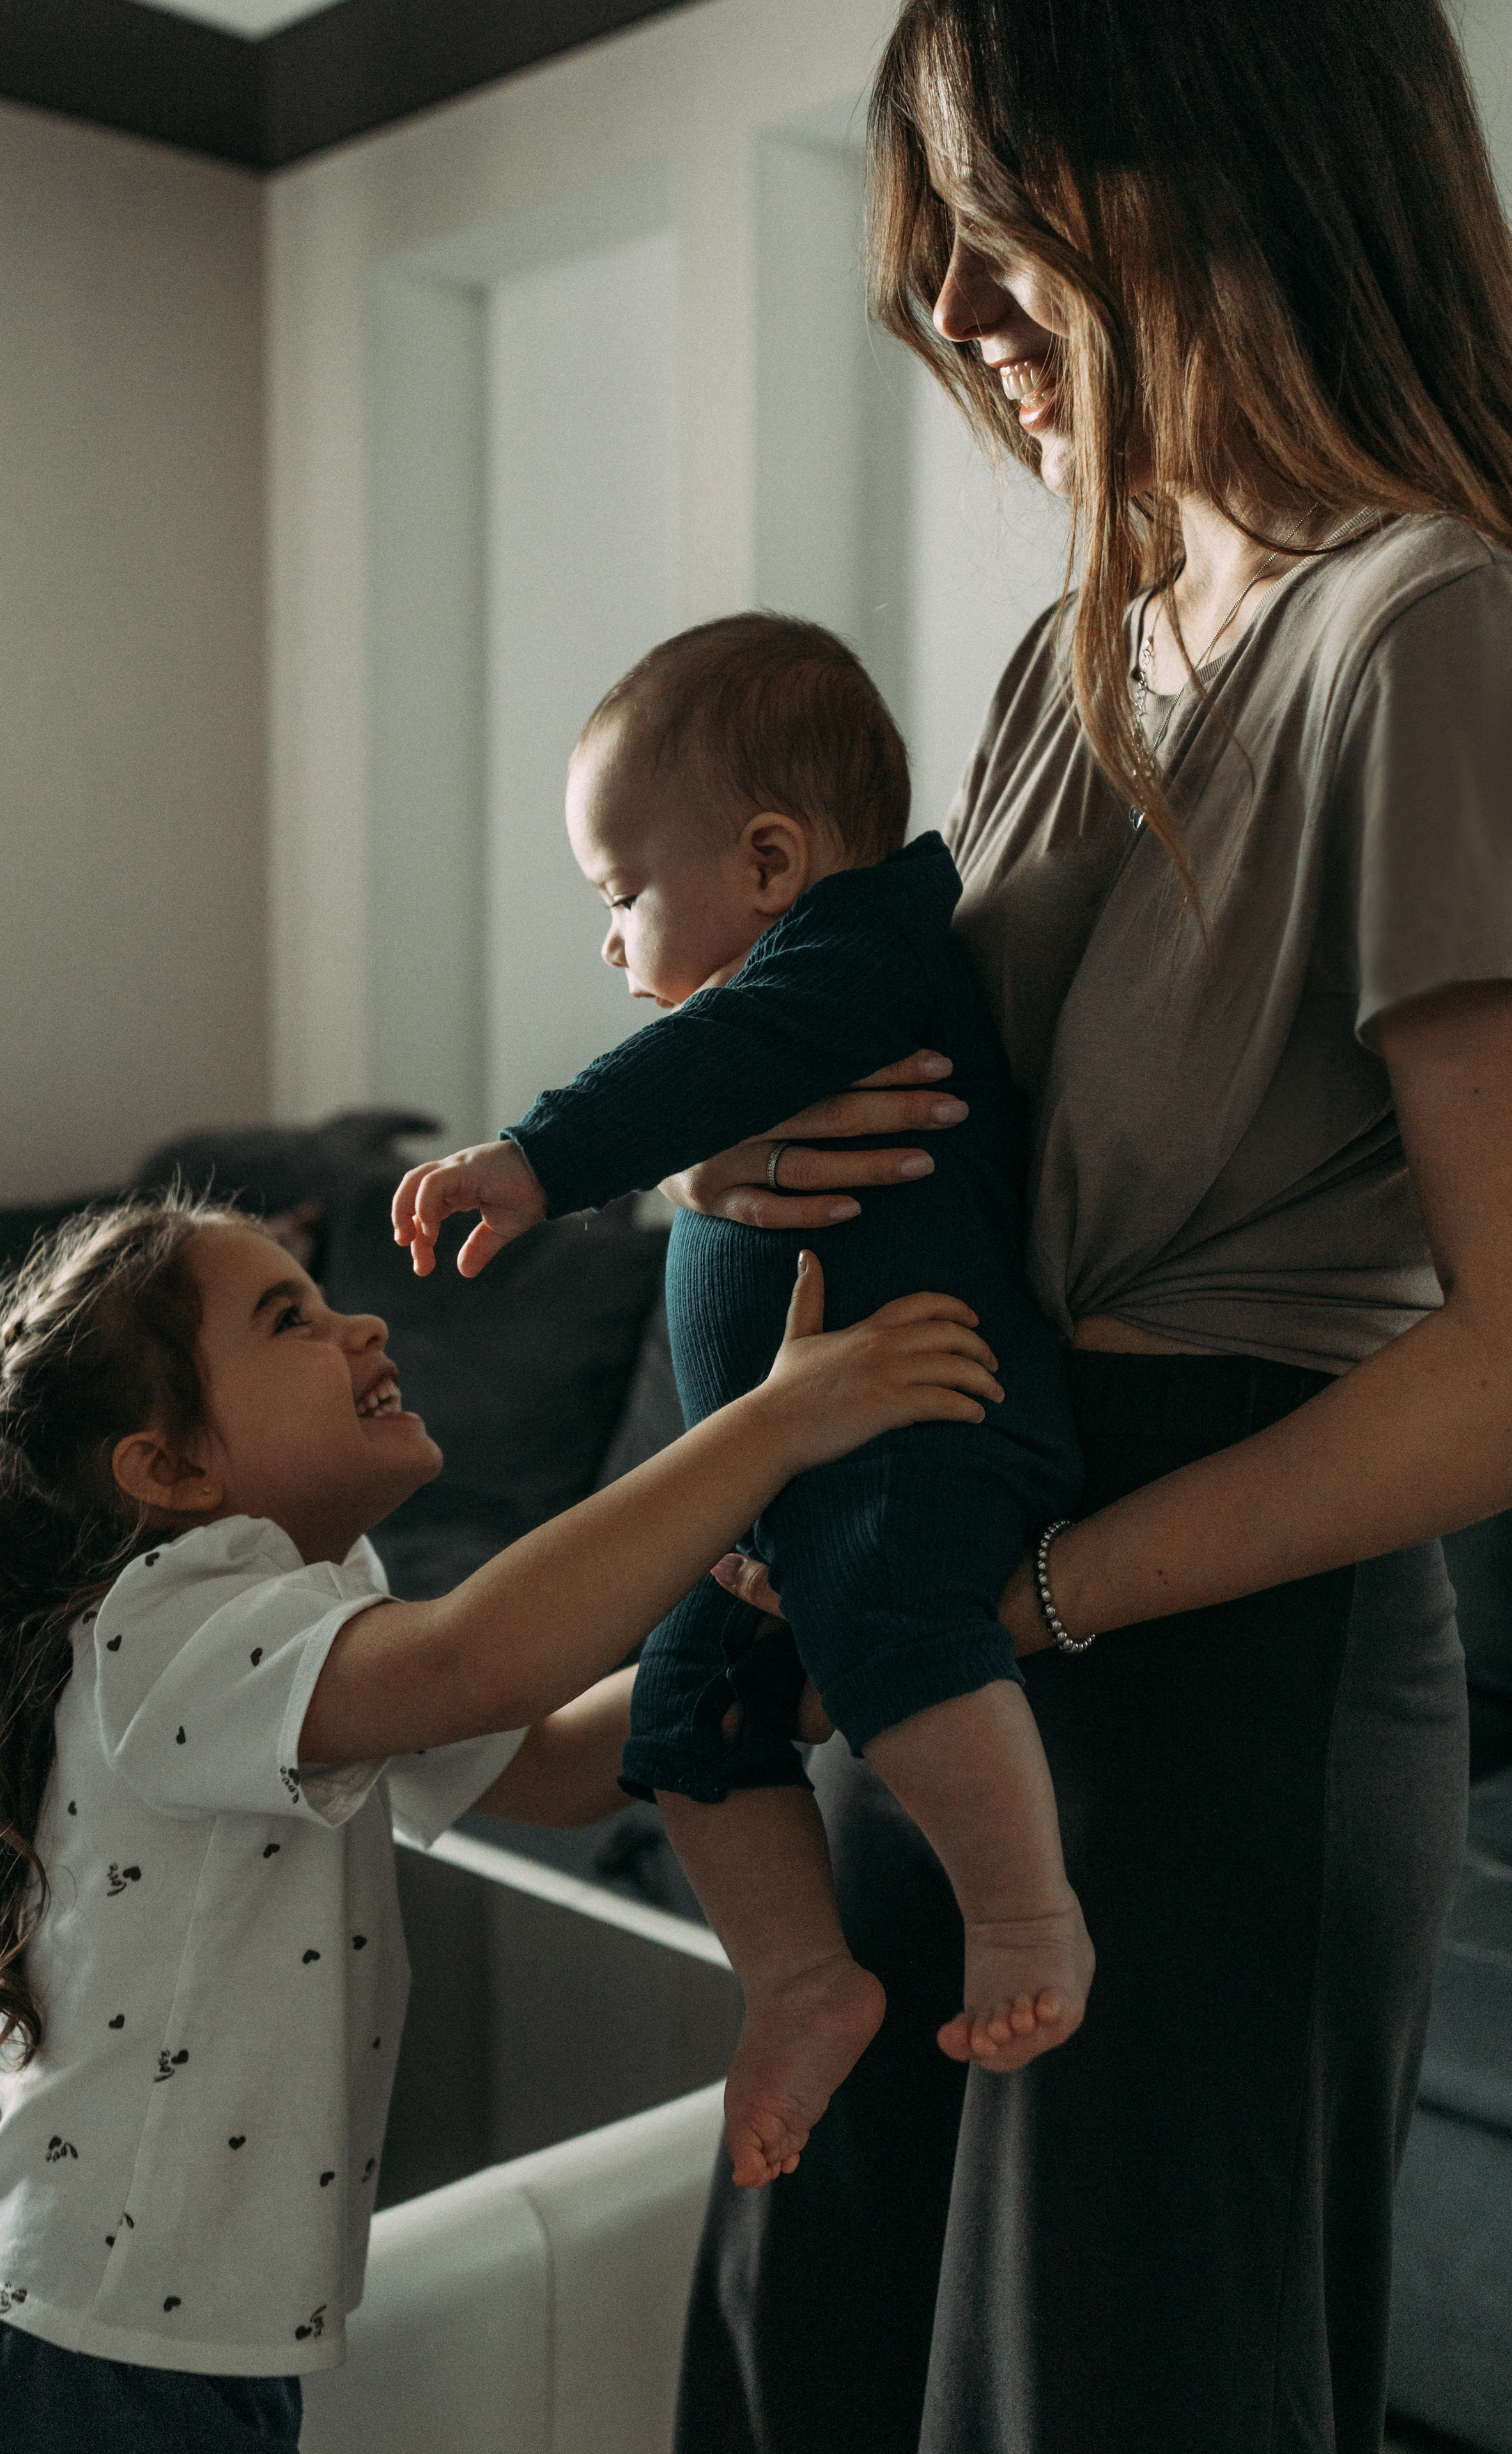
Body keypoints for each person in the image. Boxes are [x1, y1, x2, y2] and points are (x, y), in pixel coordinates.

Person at [661, 2, 1512, 2450]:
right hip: (964, 1584)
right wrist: (747, 1174)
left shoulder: (1424, 631)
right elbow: (957, 1126)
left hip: (1219, 1667)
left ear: (1233, 169)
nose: (956, 313)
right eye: (933, 256)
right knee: (811, 2310)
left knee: (1105, 2390)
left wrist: (1033, 1605)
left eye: (1001, 231)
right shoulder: (1076, 651)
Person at [0, 1192, 991, 2454]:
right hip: (87, 2340)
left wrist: (762, 1632)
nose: (361, 1322)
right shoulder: (165, 1631)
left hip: (187, 2336)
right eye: (287, 1319)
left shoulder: (306, 1609)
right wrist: (769, 1429)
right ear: (171, 1470)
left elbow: (559, 1763)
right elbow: (484, 1661)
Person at [392, 613, 1091, 2193]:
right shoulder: (807, 985)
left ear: (770, 863)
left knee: (880, 1611)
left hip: (925, 1428)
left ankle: (1022, 1909)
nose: (608, 940)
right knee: (686, 1698)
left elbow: (707, 1060)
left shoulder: (857, 953)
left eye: (621, 894)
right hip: (799, 1479)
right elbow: (713, 1080)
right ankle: (797, 1978)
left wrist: (537, 1158)